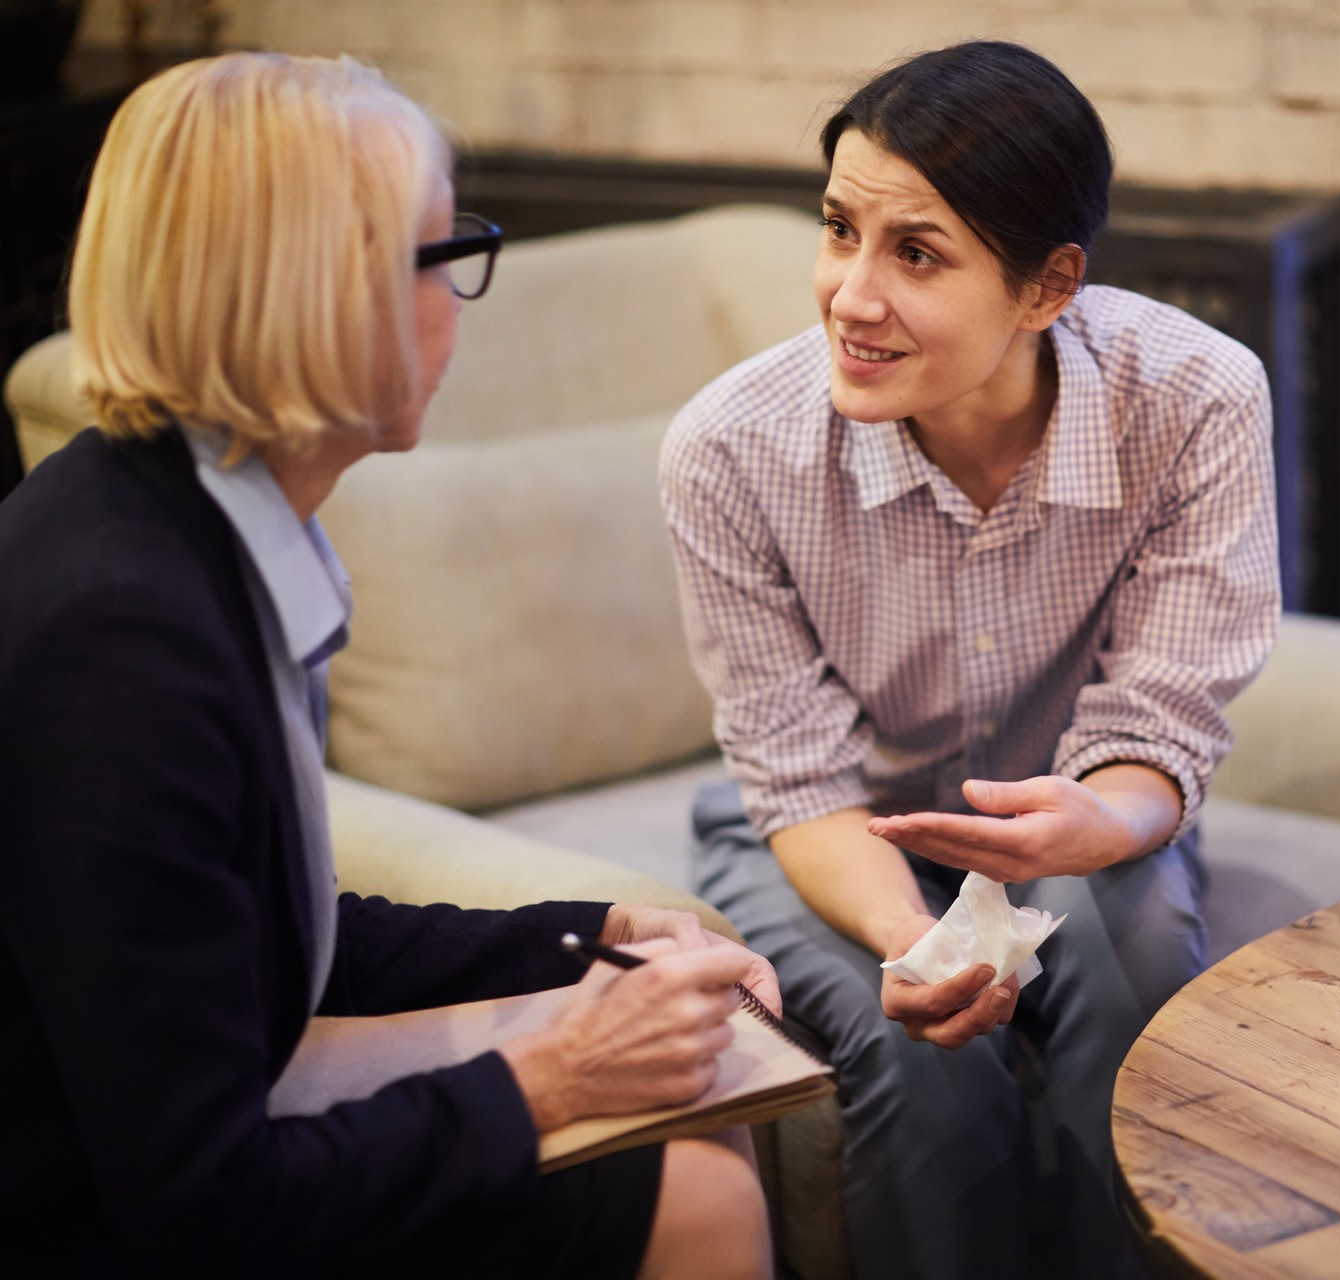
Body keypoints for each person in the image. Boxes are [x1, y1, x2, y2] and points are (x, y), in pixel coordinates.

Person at [0, 53, 776, 1280]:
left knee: (697, 1152)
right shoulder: (122, 632)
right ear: (326, 293)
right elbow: (195, 1198)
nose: (465, 298)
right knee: (694, 1193)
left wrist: (594, 934)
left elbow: (263, 934)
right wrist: (556, 1069)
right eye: (443, 251)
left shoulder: (180, 519)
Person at [661, 40, 1282, 1280]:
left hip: (1085, 801)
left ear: (1050, 287)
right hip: (841, 824)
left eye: (918, 253)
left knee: (1142, 980)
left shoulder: (1198, 399)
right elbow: (798, 778)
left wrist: (1093, 825)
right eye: (840, 229)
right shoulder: (730, 452)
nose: (851, 293)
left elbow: (1160, 721)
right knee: (917, 1047)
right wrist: (921, 939)